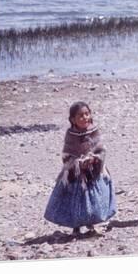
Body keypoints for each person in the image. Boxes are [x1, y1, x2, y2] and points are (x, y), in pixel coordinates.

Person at [44, 101, 116, 235]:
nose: (85, 118)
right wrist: (77, 163)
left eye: (87, 114)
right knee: (75, 200)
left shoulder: (94, 131)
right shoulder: (70, 134)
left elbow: (101, 150)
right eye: (81, 116)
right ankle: (75, 227)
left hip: (93, 172)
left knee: (93, 199)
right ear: (73, 119)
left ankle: (91, 223)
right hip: (75, 174)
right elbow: (66, 154)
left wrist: (93, 158)